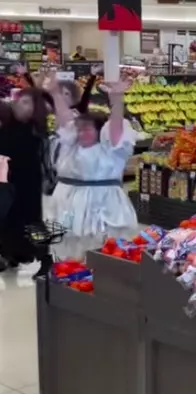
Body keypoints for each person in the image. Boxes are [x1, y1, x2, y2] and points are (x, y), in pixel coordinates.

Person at [45, 74, 139, 262]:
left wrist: (117, 100)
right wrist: (55, 93)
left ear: (99, 131)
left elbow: (116, 128)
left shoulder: (110, 150)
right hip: (68, 202)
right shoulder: (71, 146)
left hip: (102, 203)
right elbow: (64, 120)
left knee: (101, 248)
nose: (82, 133)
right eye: (80, 129)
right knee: (67, 246)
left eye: (87, 129)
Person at [0, 86, 52, 274]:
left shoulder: (35, 128)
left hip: (28, 182)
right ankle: (9, 254)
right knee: (7, 218)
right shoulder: (7, 121)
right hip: (7, 178)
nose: (26, 107)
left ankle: (45, 257)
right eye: (23, 101)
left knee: (32, 221)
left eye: (31, 103)